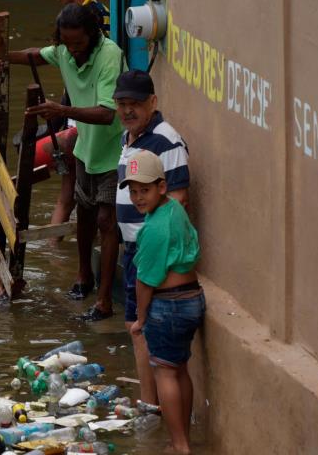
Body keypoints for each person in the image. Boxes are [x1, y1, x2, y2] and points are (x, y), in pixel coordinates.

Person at [0, 3, 124, 321]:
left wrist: (61, 111)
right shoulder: (64, 51)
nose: (73, 50)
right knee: (86, 217)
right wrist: (4, 57)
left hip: (113, 152)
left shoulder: (110, 55)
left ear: (92, 35)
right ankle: (83, 277)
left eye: (79, 43)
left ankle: (104, 301)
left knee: (107, 223)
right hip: (85, 150)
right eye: (67, 43)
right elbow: (38, 54)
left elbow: (107, 113)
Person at [113, 70, 191, 410]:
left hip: (149, 253)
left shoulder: (165, 141)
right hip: (132, 249)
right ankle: (149, 401)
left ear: (153, 103)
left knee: (141, 327)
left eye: (135, 104)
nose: (128, 111)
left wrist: (148, 247)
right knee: (134, 325)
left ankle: (150, 402)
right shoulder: (129, 137)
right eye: (122, 104)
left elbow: (177, 198)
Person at [122, 149, 204, 455]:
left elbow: (145, 282)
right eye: (133, 191)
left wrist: (141, 319)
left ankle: (178, 445)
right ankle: (184, 437)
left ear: (161, 186)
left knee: (165, 373)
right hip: (192, 298)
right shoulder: (174, 210)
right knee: (180, 369)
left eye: (144, 190)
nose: (138, 198)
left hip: (168, 306)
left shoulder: (154, 229)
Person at [32, 0, 112, 233]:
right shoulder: (96, 11)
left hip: (86, 117)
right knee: (78, 194)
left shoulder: (88, 18)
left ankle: (54, 251)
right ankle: (60, 251)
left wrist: (65, 113)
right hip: (80, 113)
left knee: (72, 193)